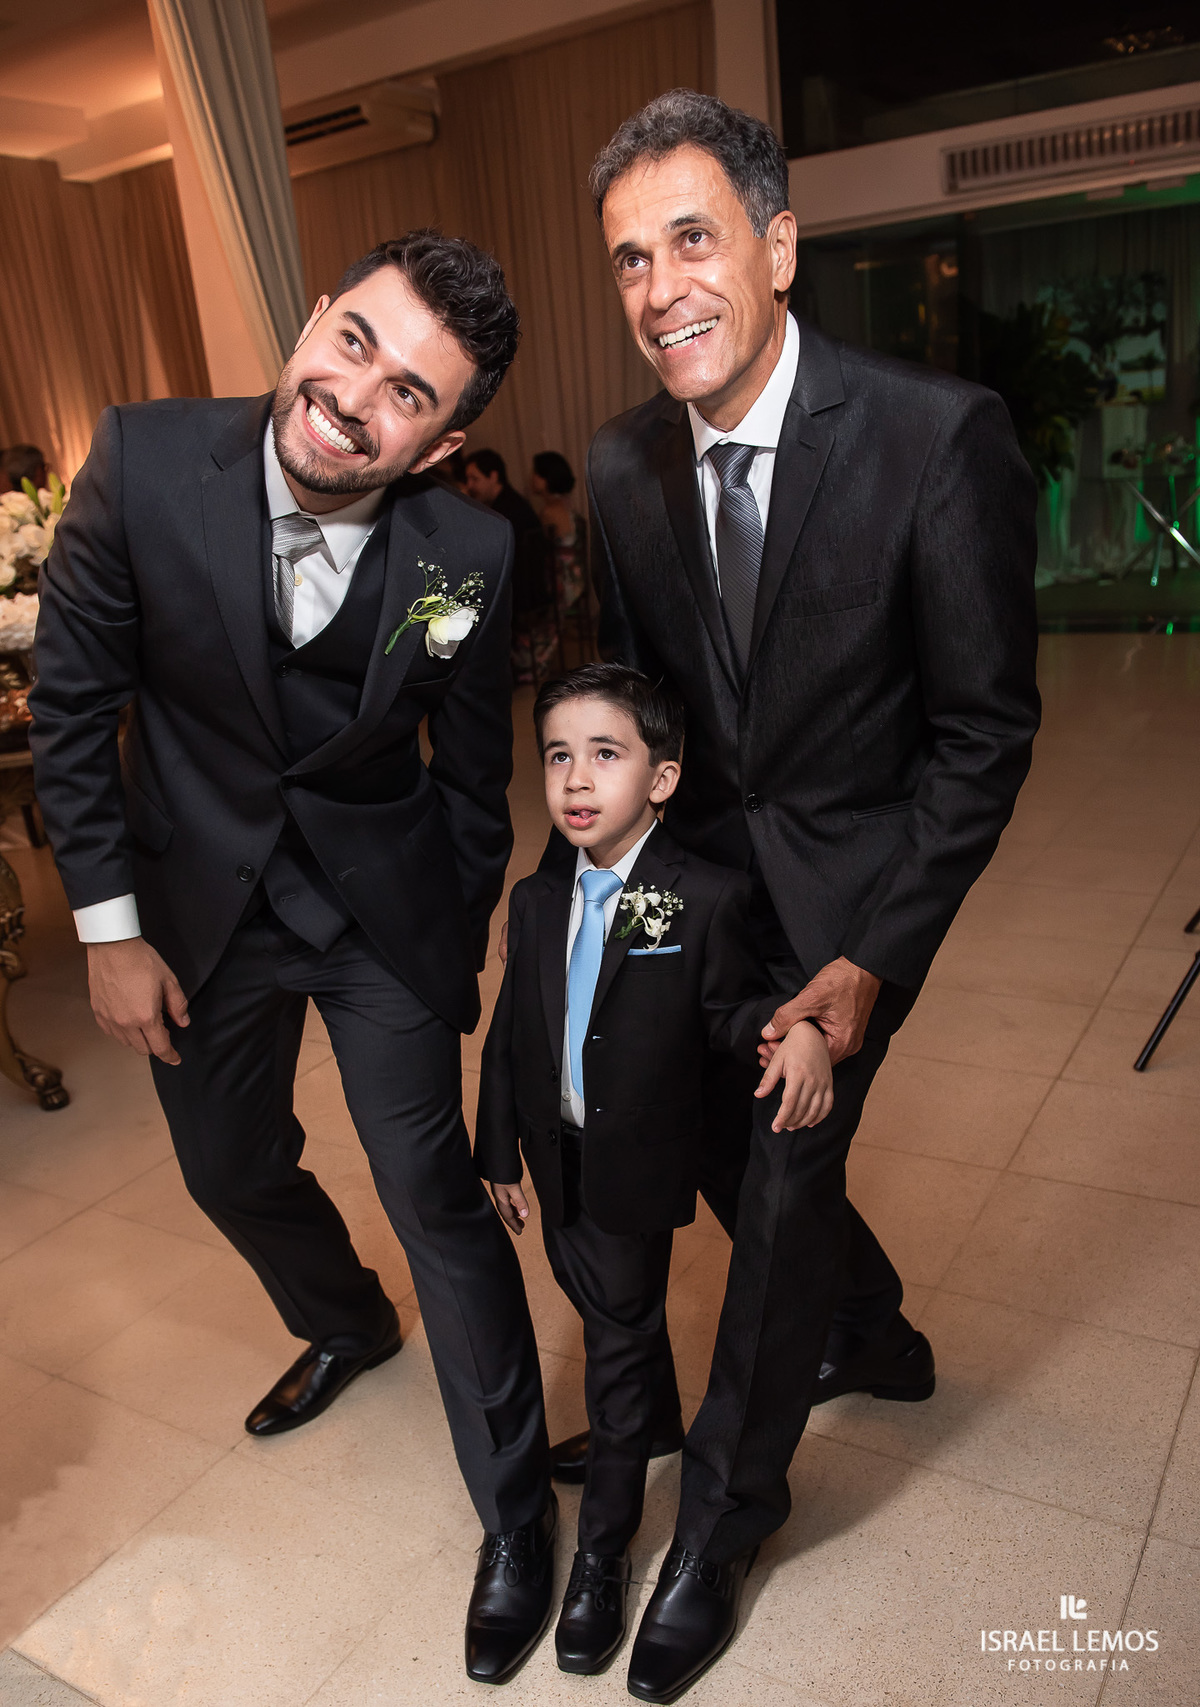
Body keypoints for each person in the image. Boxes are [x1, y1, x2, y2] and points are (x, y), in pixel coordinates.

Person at [29, 230, 555, 1685]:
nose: (352, 397)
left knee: (433, 1196)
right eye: (354, 343)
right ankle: (346, 1320)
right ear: (316, 317)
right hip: (197, 913)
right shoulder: (143, 464)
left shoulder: (468, 553)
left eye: (407, 395)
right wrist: (110, 933)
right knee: (229, 1166)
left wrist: (450, 946)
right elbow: (70, 713)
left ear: (440, 444)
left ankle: (517, 1518)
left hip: (381, 917)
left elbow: (472, 779)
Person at [576, 91, 1040, 1701]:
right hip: (701, 888)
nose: (660, 291)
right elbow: (644, 704)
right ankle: (879, 1328)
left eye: (691, 240)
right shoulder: (622, 464)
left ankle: (721, 1520)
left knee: (774, 1186)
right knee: (688, 1135)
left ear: (778, 246)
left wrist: (871, 957)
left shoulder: (936, 436)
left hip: (852, 903)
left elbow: (983, 735)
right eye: (630, 259)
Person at [476, 663, 832, 1677]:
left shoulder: (693, 896)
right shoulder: (538, 900)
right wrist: (496, 1147)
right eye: (558, 755)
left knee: (618, 1357)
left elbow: (731, 1009)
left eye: (606, 753)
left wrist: (795, 1031)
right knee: (600, 1315)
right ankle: (644, 1421)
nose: (576, 778)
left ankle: (601, 1552)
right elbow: (511, 1036)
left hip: (631, 1173)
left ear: (662, 779)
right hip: (556, 1164)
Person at [465, 448, 553, 681]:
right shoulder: (511, 503)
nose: (469, 486)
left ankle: (492, 676)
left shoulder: (502, 514)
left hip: (523, 594)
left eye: (475, 479)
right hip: (531, 587)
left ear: (493, 476)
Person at [531, 450, 587, 616]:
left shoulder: (549, 511)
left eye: (536, 473)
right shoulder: (567, 503)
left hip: (562, 582)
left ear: (547, 478)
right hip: (578, 578)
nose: (532, 478)